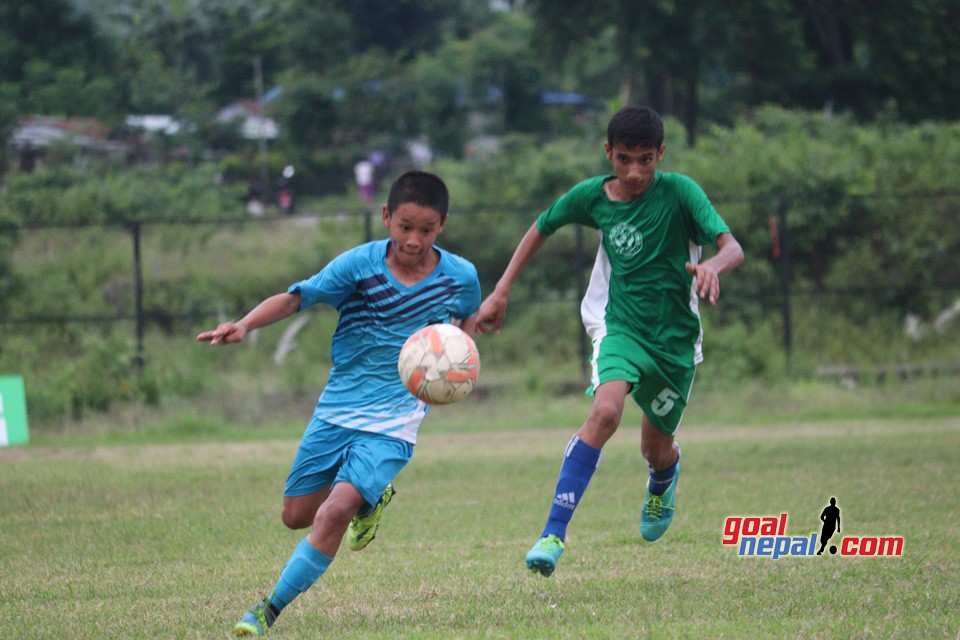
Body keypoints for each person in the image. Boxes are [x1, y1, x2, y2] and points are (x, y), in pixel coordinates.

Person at [198, 170, 481, 636]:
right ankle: (374, 500)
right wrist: (246, 324)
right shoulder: (358, 265)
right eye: (405, 227)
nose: (414, 240)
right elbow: (297, 298)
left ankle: (265, 611)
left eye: (426, 230)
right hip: (337, 409)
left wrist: (458, 361)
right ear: (386, 216)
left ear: (442, 226)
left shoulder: (459, 275)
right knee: (296, 516)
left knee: (334, 512)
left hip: (396, 418)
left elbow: (468, 309)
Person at [475, 106, 744, 577]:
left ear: (661, 154)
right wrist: (500, 291)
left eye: (645, 159)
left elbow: (732, 246)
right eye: (624, 159)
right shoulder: (593, 197)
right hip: (620, 328)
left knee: (655, 448)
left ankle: (663, 478)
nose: (635, 171)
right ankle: (552, 534)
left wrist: (712, 267)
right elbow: (543, 225)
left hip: (675, 343)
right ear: (608, 154)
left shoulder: (680, 192)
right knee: (604, 412)